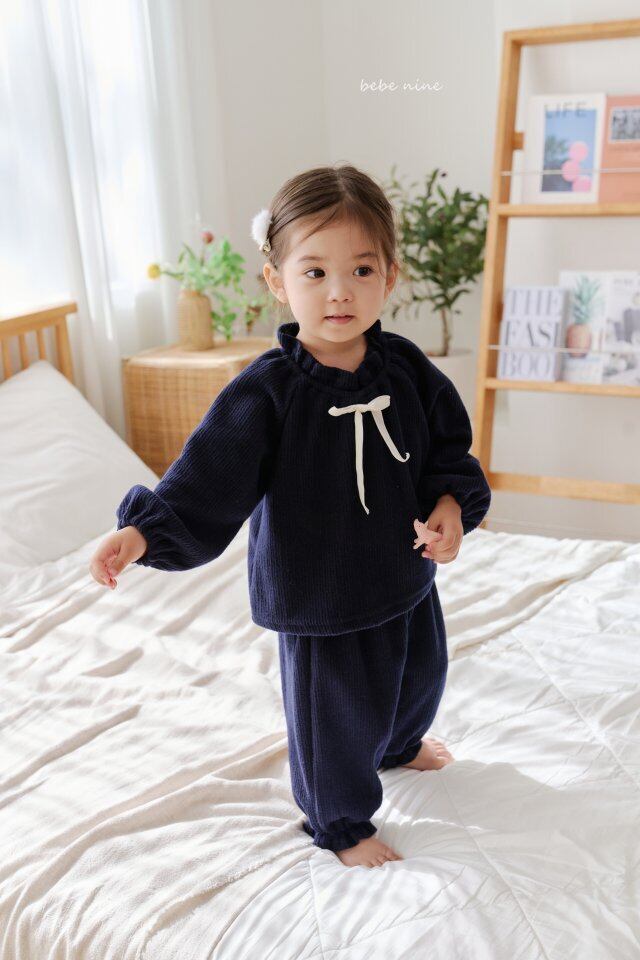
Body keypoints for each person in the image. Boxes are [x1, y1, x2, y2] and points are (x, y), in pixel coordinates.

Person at [89, 163, 492, 869]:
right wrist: (143, 531)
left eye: (361, 270)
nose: (340, 291)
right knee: (332, 716)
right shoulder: (268, 391)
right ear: (277, 281)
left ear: (390, 277)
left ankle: (399, 744)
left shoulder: (408, 370)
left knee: (417, 674)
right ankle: (339, 821)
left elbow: (448, 455)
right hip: (319, 592)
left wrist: (450, 506)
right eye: (315, 272)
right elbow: (208, 475)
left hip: (403, 572)